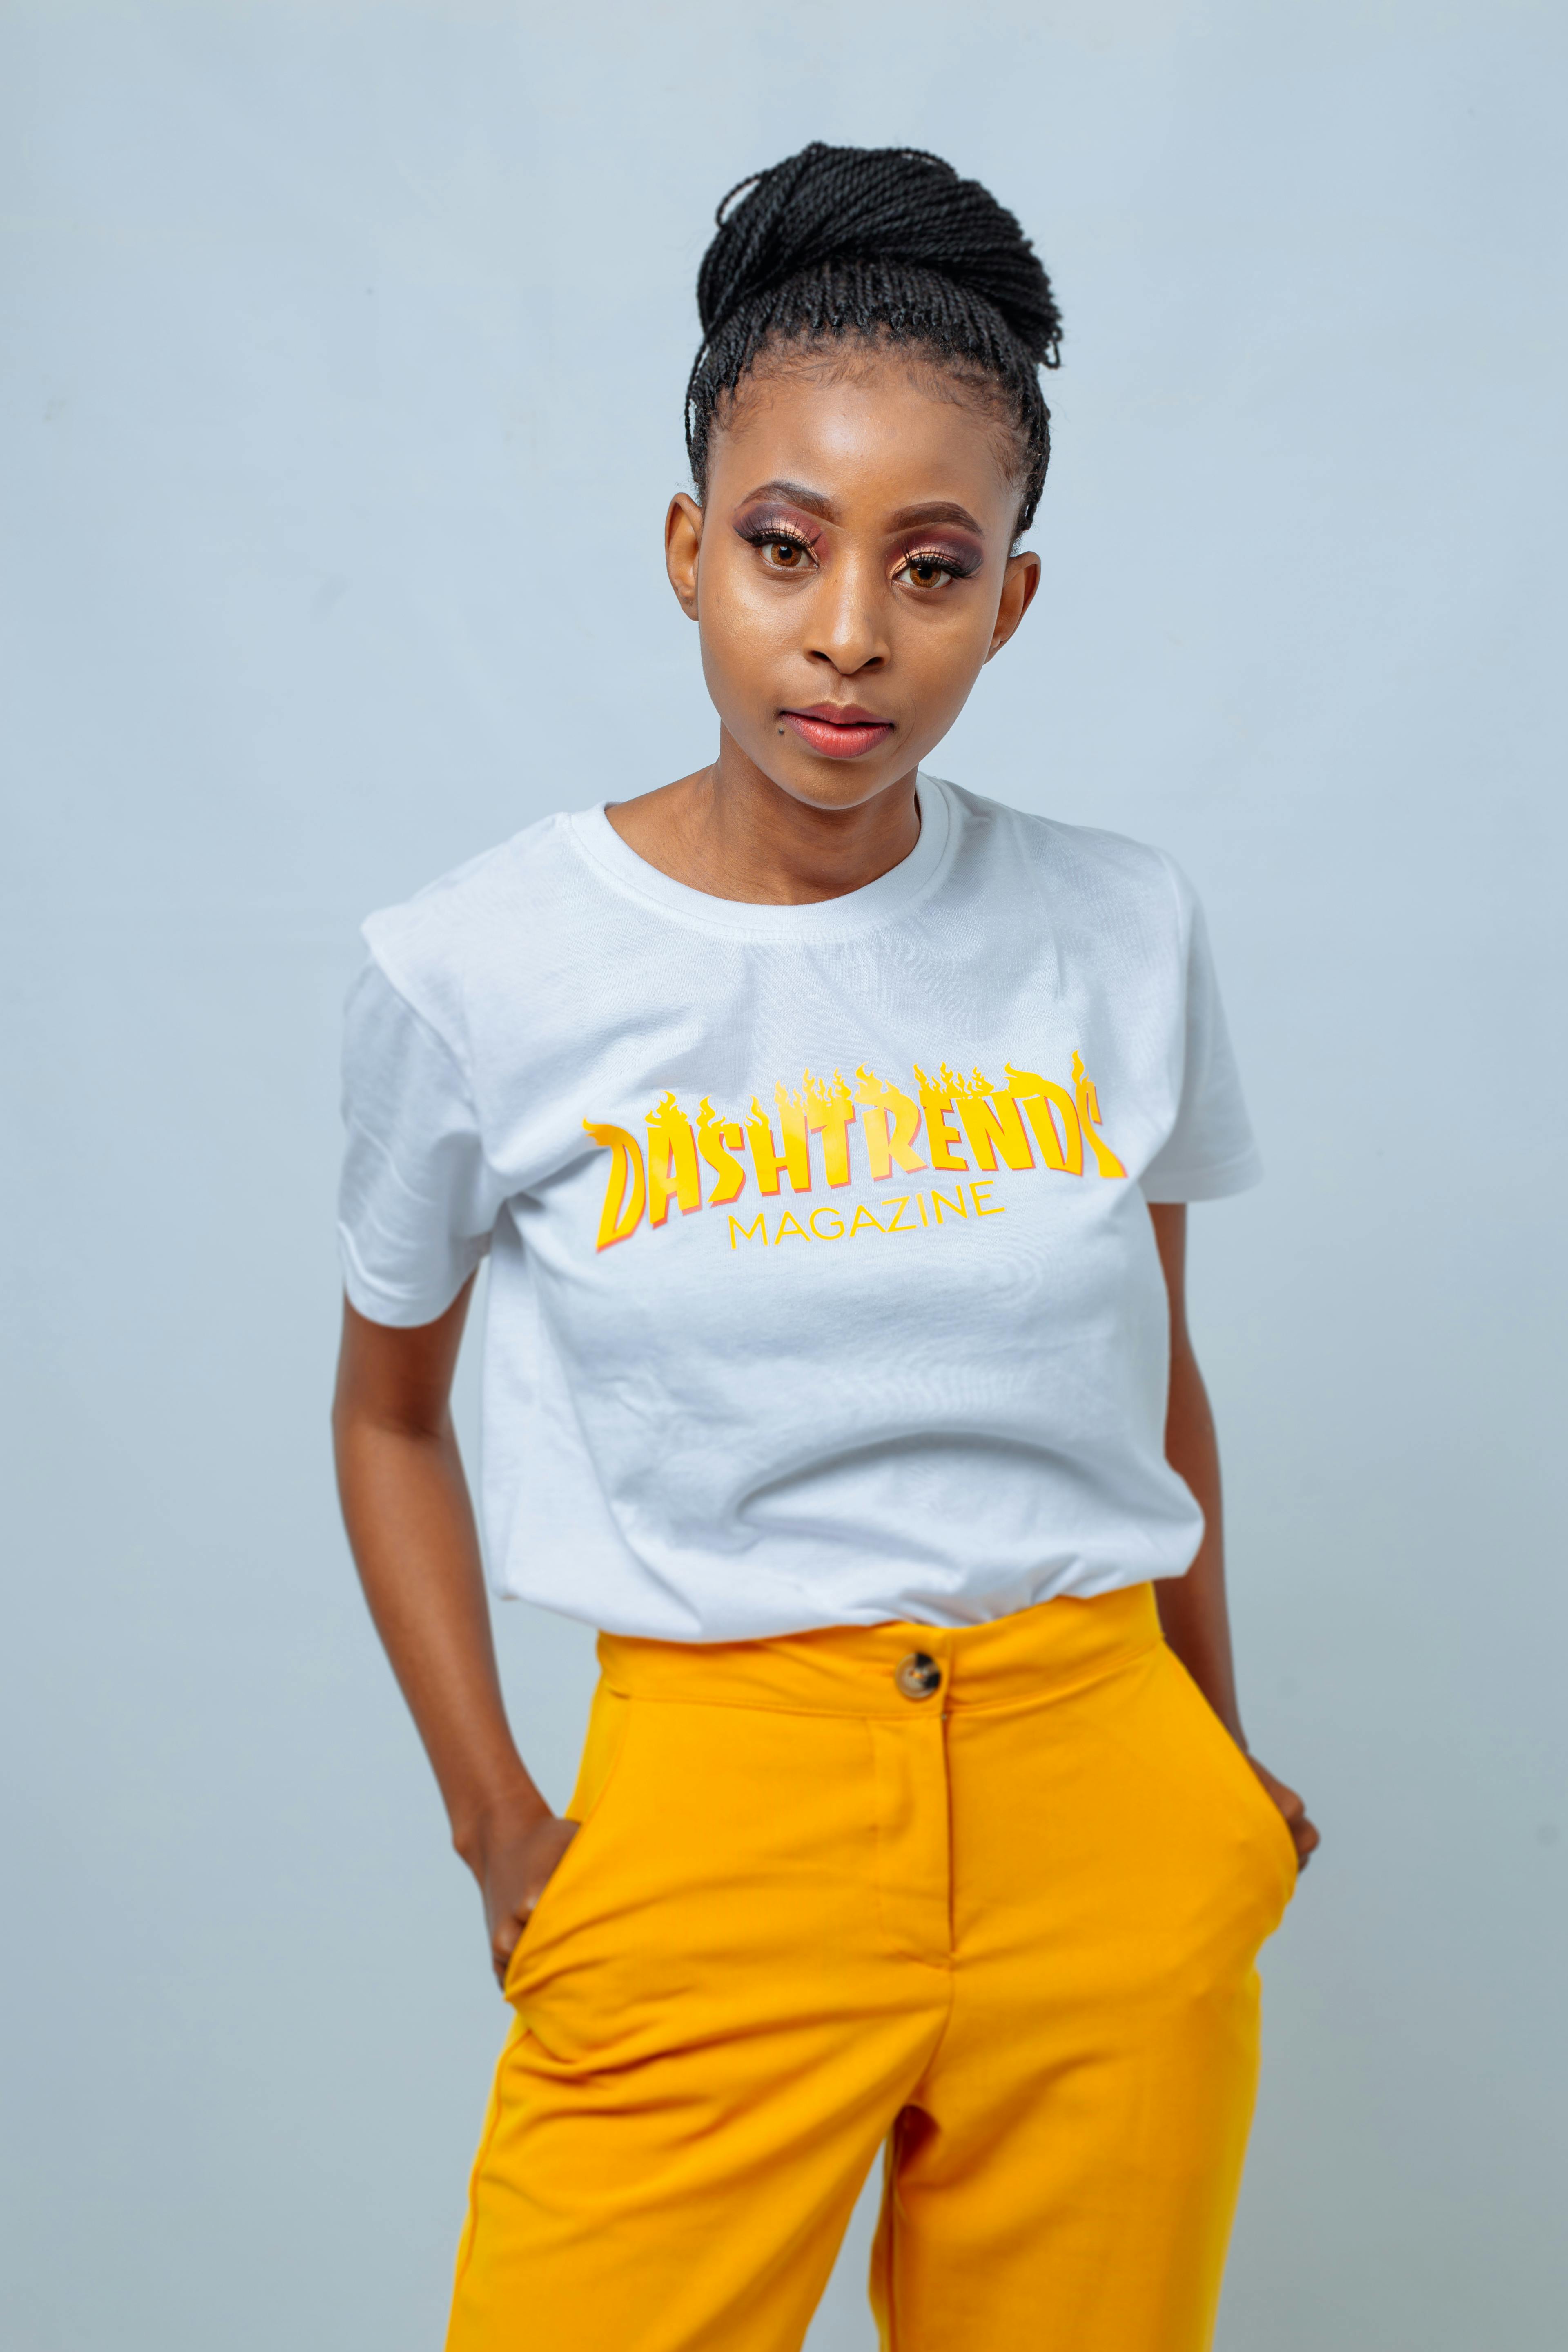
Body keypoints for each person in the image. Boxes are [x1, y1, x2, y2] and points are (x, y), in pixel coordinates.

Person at [332, 140, 1319, 2352]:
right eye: (785, 548)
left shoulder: (1118, 926)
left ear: (1013, 599)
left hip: (1103, 1814)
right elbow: (389, 1415)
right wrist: (504, 1826)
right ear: (693, 551)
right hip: (711, 1823)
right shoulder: (479, 967)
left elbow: (1149, 1376)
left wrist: (1217, 1768)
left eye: (933, 566)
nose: (851, 630)